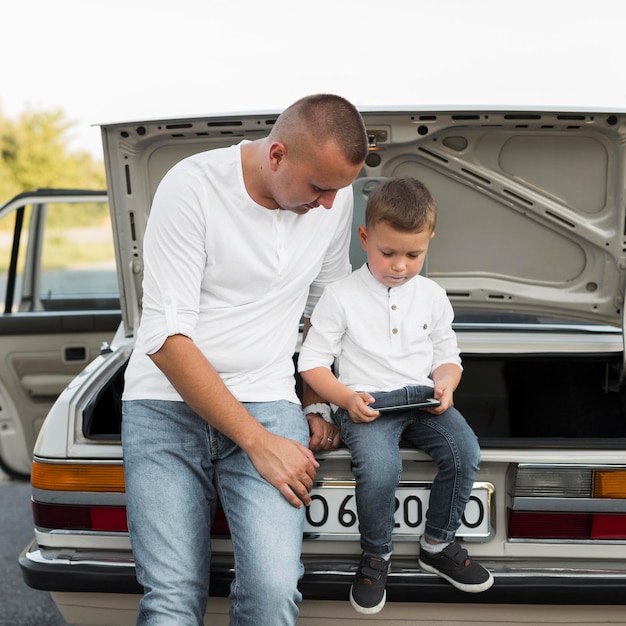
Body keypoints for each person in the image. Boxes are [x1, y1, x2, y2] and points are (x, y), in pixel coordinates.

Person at [121, 94, 369, 626]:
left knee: (273, 591)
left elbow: (328, 310)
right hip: (164, 407)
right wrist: (260, 444)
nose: (328, 204)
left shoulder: (331, 201)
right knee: (172, 599)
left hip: (269, 397)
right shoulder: (192, 187)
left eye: (338, 191)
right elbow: (167, 338)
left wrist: (316, 403)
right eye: (319, 188)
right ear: (276, 155)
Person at [298, 176, 494, 615]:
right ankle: (376, 556)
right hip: (366, 405)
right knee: (381, 469)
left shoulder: (432, 295)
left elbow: (448, 357)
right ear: (365, 239)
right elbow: (311, 363)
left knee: (464, 450)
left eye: (414, 254)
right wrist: (345, 400)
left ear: (430, 243)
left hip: (423, 399)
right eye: (389, 253)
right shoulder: (340, 296)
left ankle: (437, 543)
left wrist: (446, 385)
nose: (401, 265)